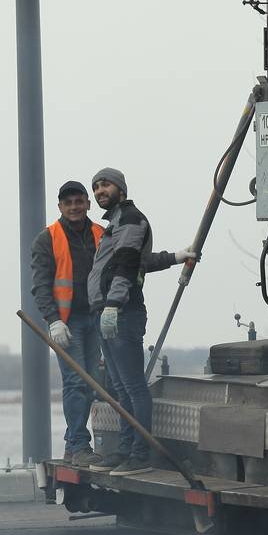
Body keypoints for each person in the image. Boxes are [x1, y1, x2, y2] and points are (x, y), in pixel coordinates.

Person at [87, 167, 197, 475]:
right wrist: (175, 256)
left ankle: (139, 454)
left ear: (120, 189)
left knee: (133, 386)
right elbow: (140, 262)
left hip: (121, 313)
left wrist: (113, 304)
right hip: (106, 312)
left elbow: (125, 265)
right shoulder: (115, 225)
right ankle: (125, 449)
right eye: (96, 187)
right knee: (120, 387)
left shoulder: (131, 220)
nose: (99, 191)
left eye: (105, 185)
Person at [30, 180, 105, 468]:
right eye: (68, 202)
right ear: (60, 206)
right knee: (76, 382)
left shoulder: (101, 233)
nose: (74, 207)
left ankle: (73, 445)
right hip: (68, 321)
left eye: (79, 201)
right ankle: (79, 445)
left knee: (92, 382)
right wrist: (53, 321)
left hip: (98, 317)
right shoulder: (47, 239)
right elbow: (41, 285)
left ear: (87, 203)